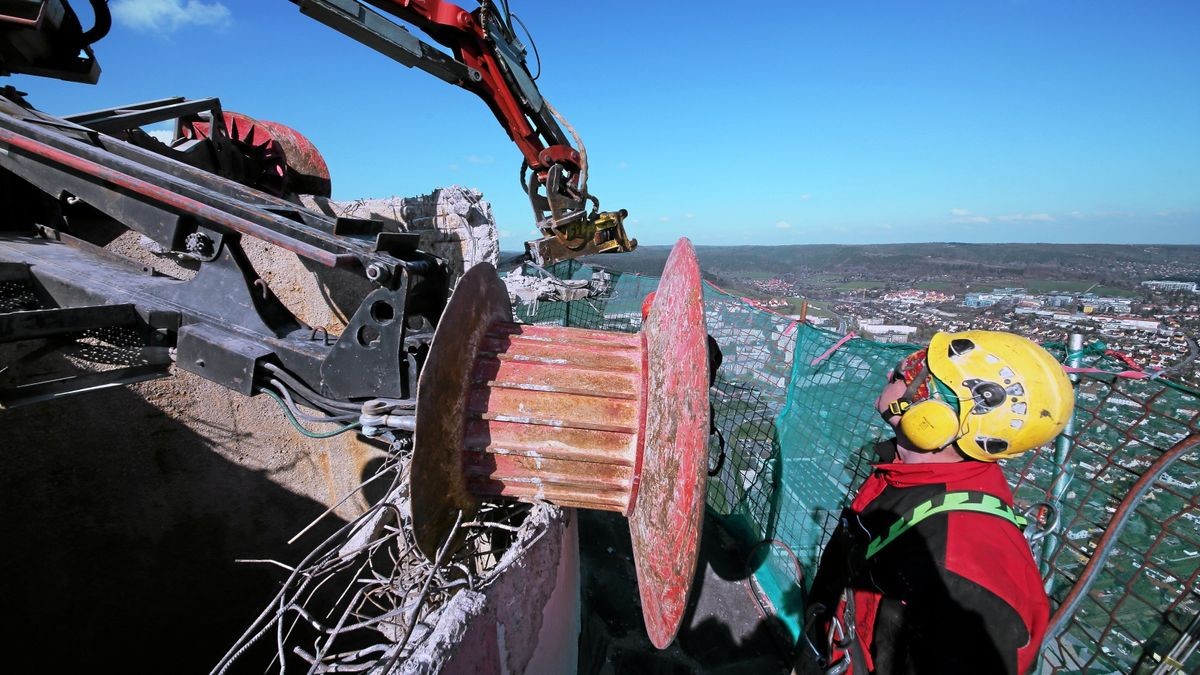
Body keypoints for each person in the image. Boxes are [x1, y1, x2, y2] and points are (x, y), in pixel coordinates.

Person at [805, 330, 1074, 675]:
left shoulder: (962, 569)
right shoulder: (913, 478)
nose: (891, 376)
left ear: (935, 414)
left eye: (903, 375)